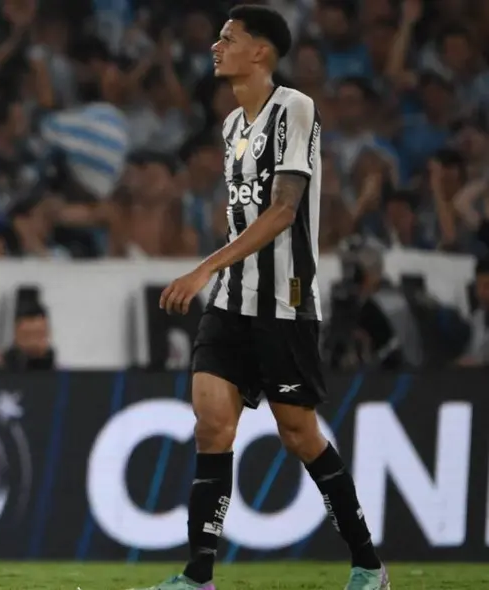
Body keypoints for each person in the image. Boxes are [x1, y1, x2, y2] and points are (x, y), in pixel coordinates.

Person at [144, 6, 389, 590]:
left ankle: (367, 563)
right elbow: (242, 219)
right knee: (211, 426)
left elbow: (283, 211)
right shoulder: (230, 127)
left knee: (299, 434)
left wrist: (201, 268)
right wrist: (217, 271)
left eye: (228, 39)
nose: (216, 47)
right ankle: (198, 574)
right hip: (231, 302)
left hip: (285, 302)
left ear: (260, 52)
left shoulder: (295, 109)